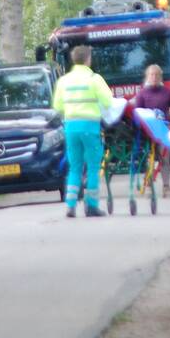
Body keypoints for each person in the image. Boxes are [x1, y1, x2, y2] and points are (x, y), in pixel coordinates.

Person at [52, 45, 114, 217]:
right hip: (90, 127)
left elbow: (57, 106)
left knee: (75, 167)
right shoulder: (94, 79)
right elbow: (108, 102)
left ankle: (71, 205)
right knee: (93, 167)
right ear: (88, 59)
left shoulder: (64, 81)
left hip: (71, 127)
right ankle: (91, 205)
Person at [133, 64, 170, 198]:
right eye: (151, 75)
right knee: (148, 159)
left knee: (165, 159)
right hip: (147, 132)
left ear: (160, 77)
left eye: (156, 75)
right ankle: (148, 184)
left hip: (163, 131)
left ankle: (166, 187)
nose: (154, 77)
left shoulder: (167, 92)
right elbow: (137, 112)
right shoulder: (142, 93)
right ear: (147, 77)